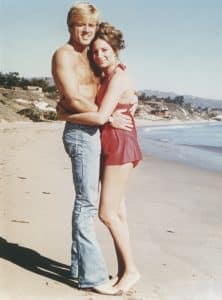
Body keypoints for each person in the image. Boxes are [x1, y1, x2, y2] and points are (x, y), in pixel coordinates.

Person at [52, 2, 132, 295]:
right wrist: (106, 116)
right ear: (70, 26)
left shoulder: (92, 53)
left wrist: (130, 99)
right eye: (80, 24)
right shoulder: (63, 55)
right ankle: (94, 276)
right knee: (86, 203)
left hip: (94, 131)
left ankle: (78, 268)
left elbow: (116, 77)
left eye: (91, 25)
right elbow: (72, 98)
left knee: (86, 200)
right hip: (82, 132)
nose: (86, 30)